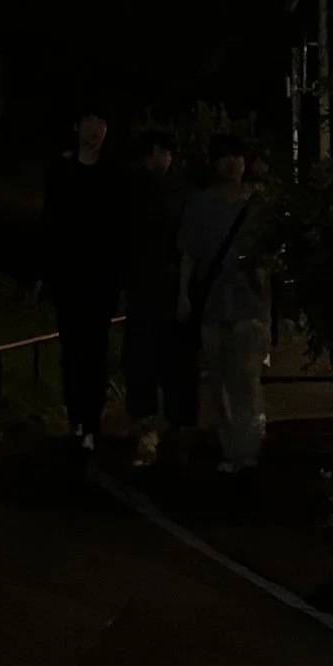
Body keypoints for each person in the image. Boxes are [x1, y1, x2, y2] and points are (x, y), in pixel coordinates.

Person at [180, 138, 271, 474]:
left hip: (250, 302)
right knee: (219, 380)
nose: (233, 163)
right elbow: (188, 252)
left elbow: (274, 251)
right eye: (226, 157)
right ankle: (230, 447)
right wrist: (184, 294)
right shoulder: (201, 204)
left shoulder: (259, 203)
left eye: (238, 156)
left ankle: (249, 446)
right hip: (213, 303)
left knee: (246, 377)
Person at [40, 110, 122, 450]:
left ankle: (91, 421)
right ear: (76, 126)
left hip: (101, 279)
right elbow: (50, 223)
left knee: (96, 351)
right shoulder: (62, 172)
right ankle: (77, 417)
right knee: (72, 351)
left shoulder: (114, 174)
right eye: (89, 122)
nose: (95, 130)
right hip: (69, 279)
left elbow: (121, 228)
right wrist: (46, 273)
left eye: (101, 123)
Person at [121, 126, 195, 458]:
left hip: (163, 284)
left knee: (168, 358)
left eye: (165, 152)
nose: (162, 158)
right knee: (149, 358)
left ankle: (168, 423)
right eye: (157, 151)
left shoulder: (177, 191)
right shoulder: (138, 188)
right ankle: (152, 424)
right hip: (148, 285)